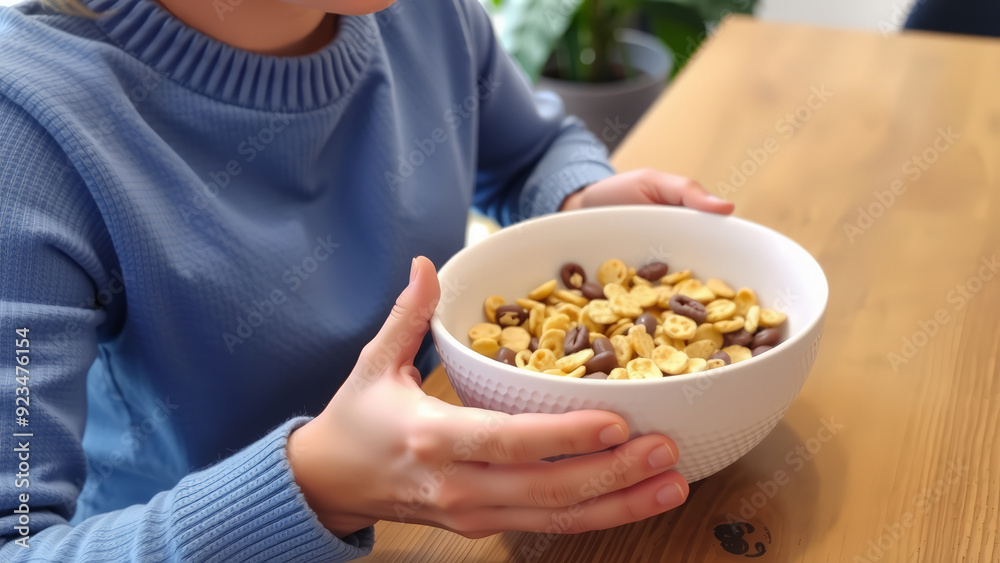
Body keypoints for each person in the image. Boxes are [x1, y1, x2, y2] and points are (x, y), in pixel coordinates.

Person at [0, 0, 734, 557]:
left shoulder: (422, 15)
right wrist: (317, 483)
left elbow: (527, 153)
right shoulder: (26, 126)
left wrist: (579, 201)